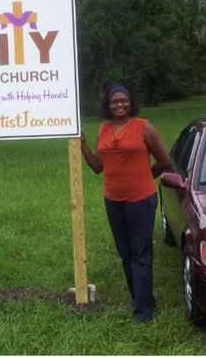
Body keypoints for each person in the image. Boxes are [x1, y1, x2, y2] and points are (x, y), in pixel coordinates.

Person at [81, 84, 170, 323]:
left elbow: (164, 160)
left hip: (141, 200)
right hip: (113, 200)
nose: (120, 105)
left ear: (130, 103)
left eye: (124, 101)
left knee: (141, 252)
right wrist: (83, 145)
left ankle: (144, 310)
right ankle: (137, 297)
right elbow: (98, 167)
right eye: (115, 102)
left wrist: (143, 177)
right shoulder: (104, 129)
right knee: (126, 252)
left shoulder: (144, 127)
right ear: (108, 105)